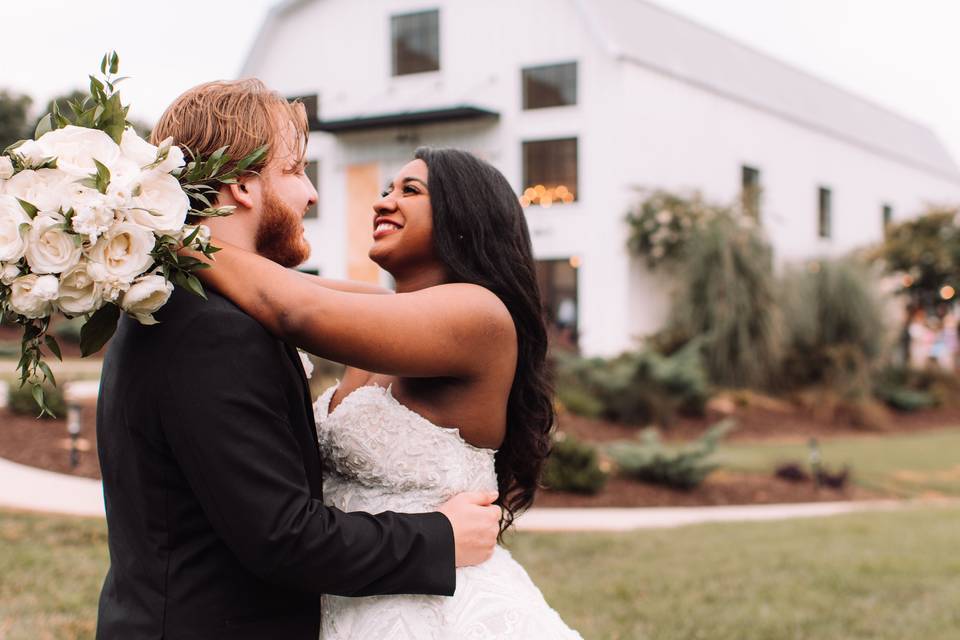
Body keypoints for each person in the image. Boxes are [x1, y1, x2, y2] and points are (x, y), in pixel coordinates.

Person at [95, 80, 501, 640]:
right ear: (242, 185)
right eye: (295, 170)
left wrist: (166, 234)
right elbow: (282, 536)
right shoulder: (214, 327)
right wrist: (440, 538)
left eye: (410, 190)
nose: (312, 194)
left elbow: (310, 303)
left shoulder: (180, 304)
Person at [191, 147, 582, 637]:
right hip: (356, 595)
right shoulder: (386, 315)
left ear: (465, 214)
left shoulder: (479, 315)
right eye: (385, 190)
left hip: (437, 609)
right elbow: (272, 282)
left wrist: (171, 236)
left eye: (409, 191)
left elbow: (293, 308)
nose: (383, 202)